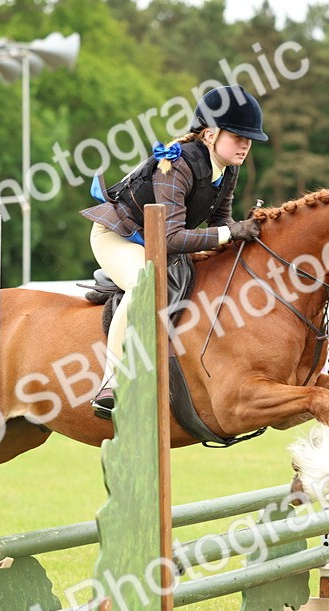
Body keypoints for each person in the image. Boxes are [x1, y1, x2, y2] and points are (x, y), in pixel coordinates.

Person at [81, 84, 267, 419]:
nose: (246, 144)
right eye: (238, 136)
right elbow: (170, 238)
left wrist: (247, 234)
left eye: (249, 138)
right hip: (120, 235)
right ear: (209, 135)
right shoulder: (178, 164)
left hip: (159, 241)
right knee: (143, 285)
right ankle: (112, 380)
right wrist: (229, 232)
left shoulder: (228, 169)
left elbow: (222, 220)